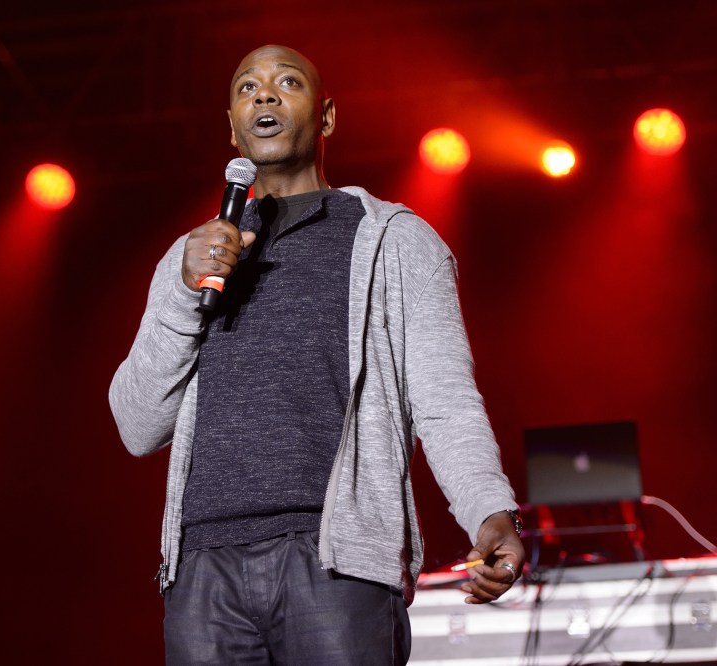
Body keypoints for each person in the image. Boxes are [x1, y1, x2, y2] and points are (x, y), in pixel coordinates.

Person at [109, 44, 525, 665]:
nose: (265, 95)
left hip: (337, 563)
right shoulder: (193, 257)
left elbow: (444, 399)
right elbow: (137, 426)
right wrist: (180, 293)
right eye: (248, 87)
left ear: (326, 116)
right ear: (231, 125)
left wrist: (490, 512)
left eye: (287, 83)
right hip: (202, 566)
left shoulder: (394, 240)